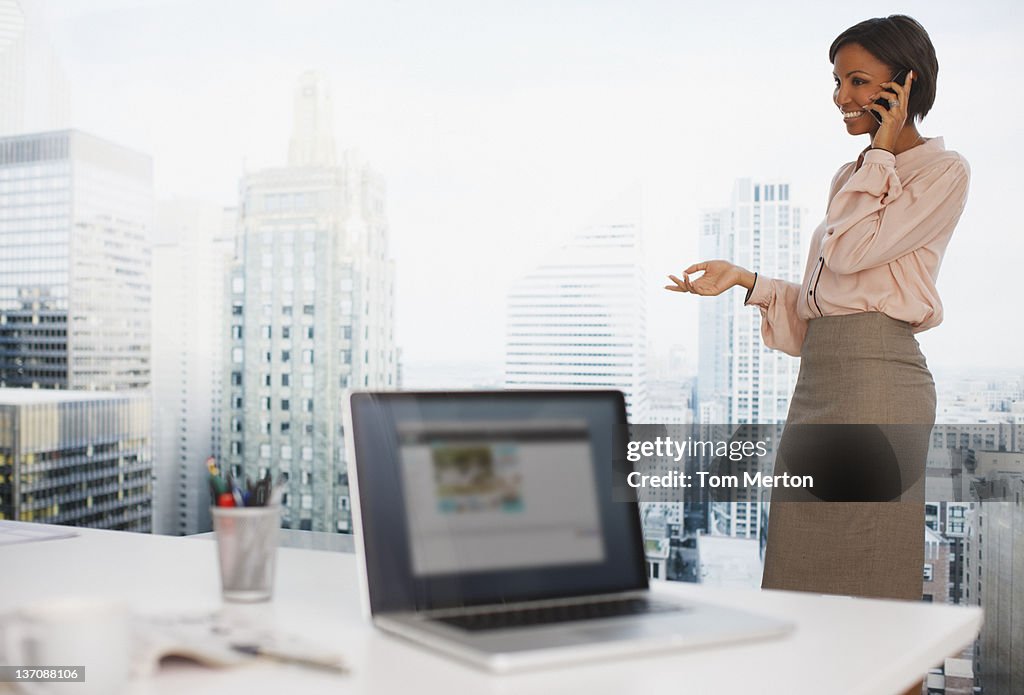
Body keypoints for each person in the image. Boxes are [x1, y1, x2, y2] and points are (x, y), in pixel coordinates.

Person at [666, 15, 970, 603]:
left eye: (857, 81)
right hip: (822, 382)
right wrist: (746, 280)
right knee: (798, 565)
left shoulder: (942, 172)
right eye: (836, 82)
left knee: (867, 571)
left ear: (902, 86)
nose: (841, 98)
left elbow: (856, 253)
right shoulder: (851, 175)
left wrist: (882, 151)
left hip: (879, 382)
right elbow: (826, 303)